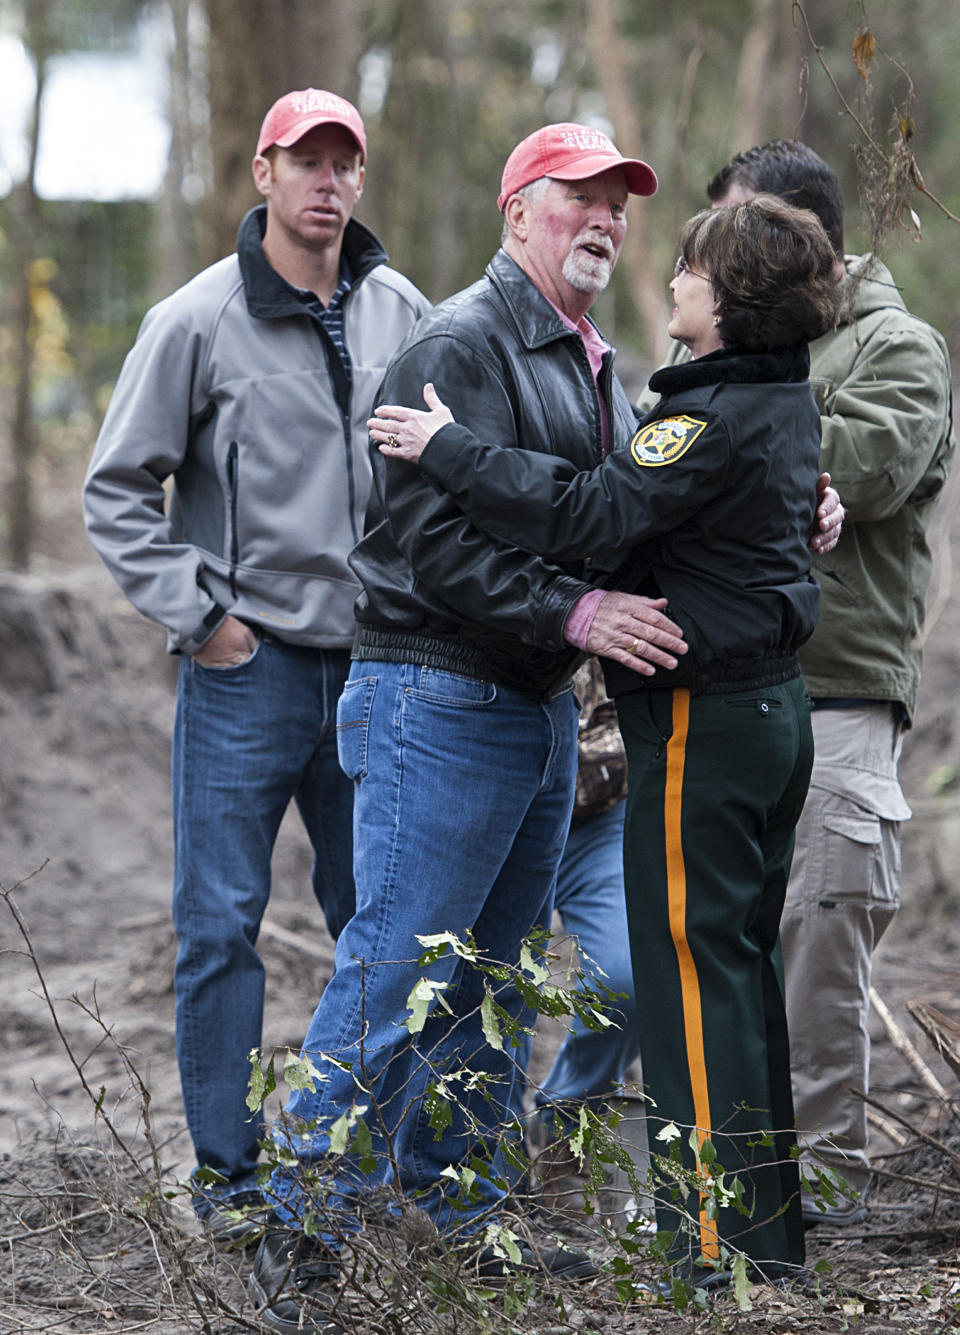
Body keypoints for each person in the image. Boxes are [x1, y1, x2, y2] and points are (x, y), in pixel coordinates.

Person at [248, 122, 692, 1331]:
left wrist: (786, 503)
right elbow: (426, 549)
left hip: (539, 705)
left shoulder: (594, 360)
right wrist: (579, 610)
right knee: (398, 963)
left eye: (616, 202)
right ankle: (297, 1221)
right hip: (435, 697)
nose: (602, 218)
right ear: (515, 213)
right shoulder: (462, 343)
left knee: (492, 981)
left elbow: (617, 514)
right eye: (577, 198)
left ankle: (465, 1214)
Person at [369, 193, 842, 1286]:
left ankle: (710, 1252)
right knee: (736, 973)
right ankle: (765, 1239)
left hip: (704, 722)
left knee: (686, 982)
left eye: (686, 269)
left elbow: (592, 512)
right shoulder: (770, 400)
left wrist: (450, 450)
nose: (666, 279)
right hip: (769, 715)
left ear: (724, 304)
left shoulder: (705, 415)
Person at [82, 89, 431, 1240]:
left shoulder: (402, 311)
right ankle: (229, 1182)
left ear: (361, 183)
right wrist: (202, 619)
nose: (327, 182)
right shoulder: (196, 319)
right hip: (248, 670)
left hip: (377, 671)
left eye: (347, 164)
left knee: (378, 923)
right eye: (306, 162)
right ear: (262, 173)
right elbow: (116, 489)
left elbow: (449, 470)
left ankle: (368, 1168)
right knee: (221, 924)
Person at [702, 141, 955, 1226]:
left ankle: (828, 1205)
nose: (728, 260)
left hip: (838, 698)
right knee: (717, 948)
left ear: (817, 243)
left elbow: (870, 463)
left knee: (817, 946)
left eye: (752, 232)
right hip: (720, 698)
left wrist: (721, 416)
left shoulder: (899, 346)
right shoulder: (717, 346)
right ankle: (721, 1197)